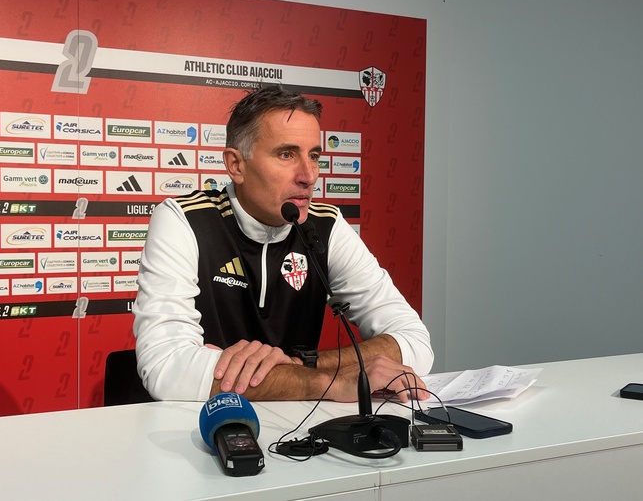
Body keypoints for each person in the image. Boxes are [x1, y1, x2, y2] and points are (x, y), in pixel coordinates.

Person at [132, 84, 433, 403]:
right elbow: (166, 368)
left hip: (301, 432)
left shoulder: (326, 226)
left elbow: (415, 343)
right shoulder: (185, 220)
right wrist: (322, 382)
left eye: (314, 156)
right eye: (286, 154)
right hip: (202, 429)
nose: (308, 175)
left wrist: (302, 366)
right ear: (236, 165)